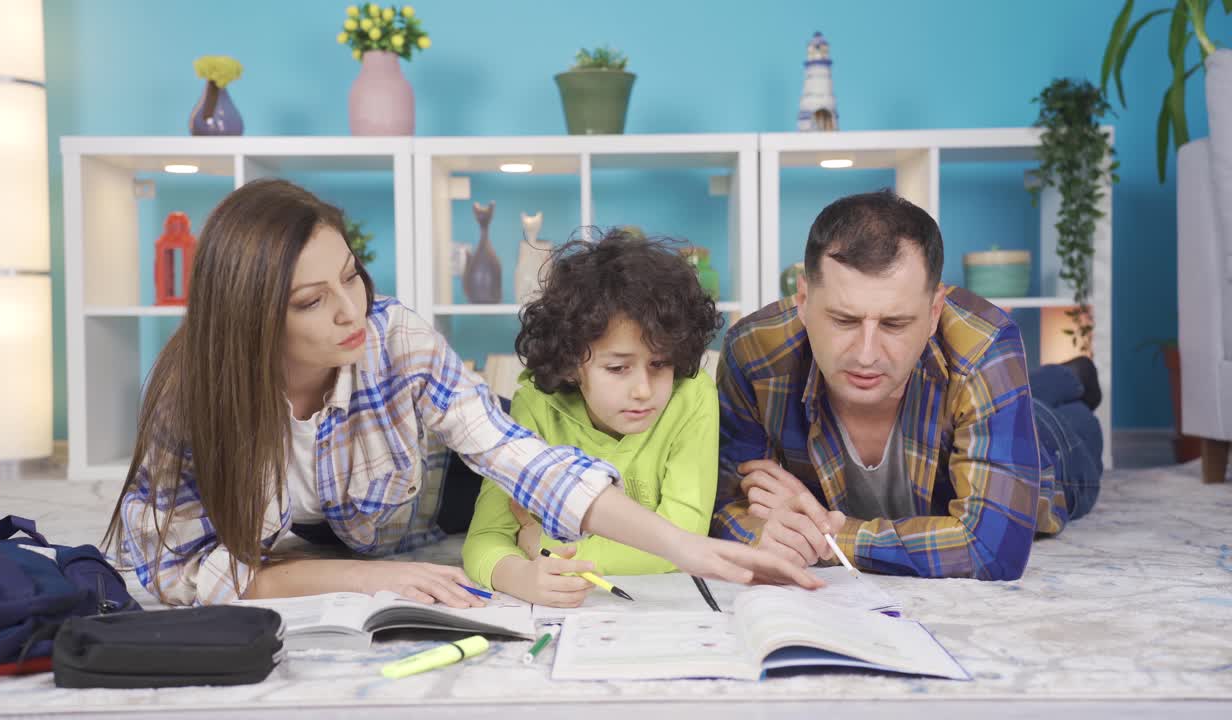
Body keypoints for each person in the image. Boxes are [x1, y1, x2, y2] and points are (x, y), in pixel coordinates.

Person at [103, 179, 817, 608]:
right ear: (249, 314)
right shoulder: (189, 394)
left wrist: (688, 549)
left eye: (352, 275)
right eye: (312, 301)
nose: (353, 311)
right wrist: (347, 580)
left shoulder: (396, 340)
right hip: (339, 532)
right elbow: (171, 572)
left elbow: (516, 458)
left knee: (510, 475)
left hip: (440, 477)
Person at [713, 189, 1103, 580]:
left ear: (934, 312)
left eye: (894, 325)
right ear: (802, 299)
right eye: (844, 321)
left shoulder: (985, 344)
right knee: (1024, 393)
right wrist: (767, 535)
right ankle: (1060, 376)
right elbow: (723, 508)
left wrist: (828, 536)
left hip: (1053, 446)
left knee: (1066, 421)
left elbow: (990, 549)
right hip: (976, 402)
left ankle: (1072, 378)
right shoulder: (754, 350)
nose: (866, 354)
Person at [462, 232, 724, 607]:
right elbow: (485, 538)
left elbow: (683, 540)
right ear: (571, 363)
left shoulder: (693, 395)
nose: (644, 391)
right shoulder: (536, 405)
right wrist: (519, 576)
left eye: (660, 364)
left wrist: (541, 545)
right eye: (618, 368)